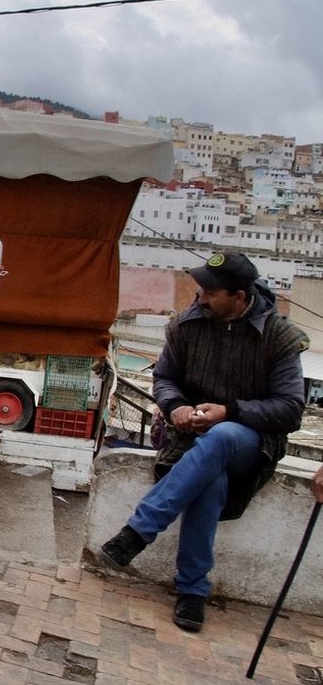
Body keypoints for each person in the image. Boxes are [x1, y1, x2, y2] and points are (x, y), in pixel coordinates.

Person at [100, 251, 308, 632]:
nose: (200, 298)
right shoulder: (186, 326)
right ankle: (193, 592)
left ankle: (137, 532)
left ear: (240, 298)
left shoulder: (279, 337)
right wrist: (176, 406)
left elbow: (290, 410)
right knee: (210, 483)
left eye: (210, 292)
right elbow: (164, 378)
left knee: (224, 435)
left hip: (251, 443)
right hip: (192, 443)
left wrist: (229, 412)